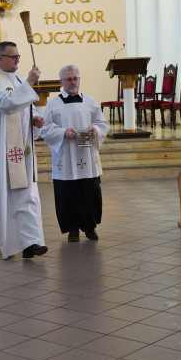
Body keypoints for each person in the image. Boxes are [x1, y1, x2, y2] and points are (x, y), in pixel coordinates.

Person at [0, 41, 46, 259]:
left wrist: (35, 117)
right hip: (5, 152)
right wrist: (29, 82)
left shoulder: (17, 79)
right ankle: (15, 244)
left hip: (24, 146)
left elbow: (26, 105)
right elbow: (5, 104)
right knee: (12, 196)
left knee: (28, 194)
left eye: (19, 56)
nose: (18, 60)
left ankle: (31, 242)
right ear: (0, 59)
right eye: (14, 57)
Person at [39, 65, 110, 242]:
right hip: (66, 157)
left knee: (90, 191)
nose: (73, 82)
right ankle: (72, 229)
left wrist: (95, 129)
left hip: (87, 156)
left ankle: (90, 227)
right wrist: (63, 132)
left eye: (75, 78)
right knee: (67, 193)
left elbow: (102, 122)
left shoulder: (90, 101)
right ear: (61, 82)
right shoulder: (53, 104)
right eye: (69, 79)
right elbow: (46, 128)